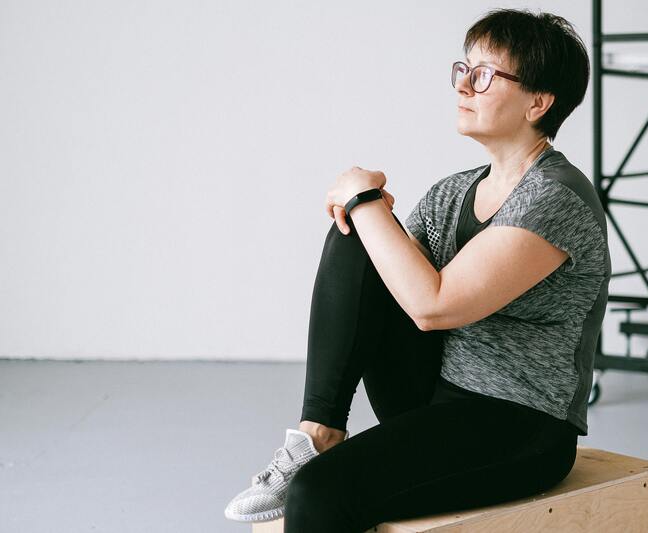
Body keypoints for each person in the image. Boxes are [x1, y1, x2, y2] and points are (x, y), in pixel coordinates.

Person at [224, 7, 610, 532]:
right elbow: (384, 282)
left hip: (520, 423)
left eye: (485, 75)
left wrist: (363, 197)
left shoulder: (555, 198)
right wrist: (366, 209)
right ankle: (317, 433)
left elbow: (434, 307)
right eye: (463, 69)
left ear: (538, 103)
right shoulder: (453, 191)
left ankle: (317, 462)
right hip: (432, 393)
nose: (464, 85)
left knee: (320, 495)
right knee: (359, 236)